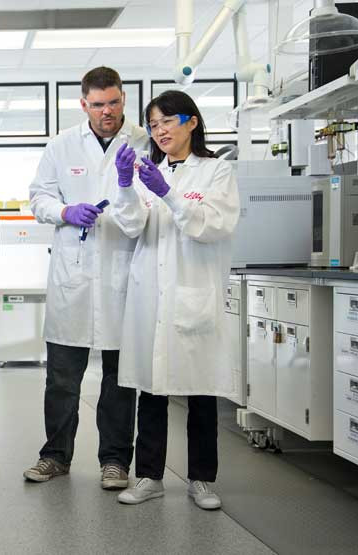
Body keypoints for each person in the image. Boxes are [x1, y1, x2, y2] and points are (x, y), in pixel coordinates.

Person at [110, 90, 239, 510]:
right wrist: (127, 187)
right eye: (153, 124)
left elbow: (213, 225)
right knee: (152, 392)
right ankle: (149, 476)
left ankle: (202, 479)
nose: (159, 130)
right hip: (152, 296)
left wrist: (167, 192)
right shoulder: (151, 173)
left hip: (193, 292)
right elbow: (131, 226)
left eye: (168, 120)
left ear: (192, 122)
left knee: (201, 391)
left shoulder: (217, 172)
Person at [24, 67, 149, 489]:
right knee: (61, 378)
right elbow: (38, 195)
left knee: (119, 380)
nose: (107, 111)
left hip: (123, 273)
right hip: (73, 274)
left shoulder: (143, 141)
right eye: (98, 104)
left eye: (113, 102)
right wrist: (64, 212)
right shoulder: (61, 144)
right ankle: (55, 456)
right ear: (84, 104)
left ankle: (114, 461)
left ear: (123, 99)